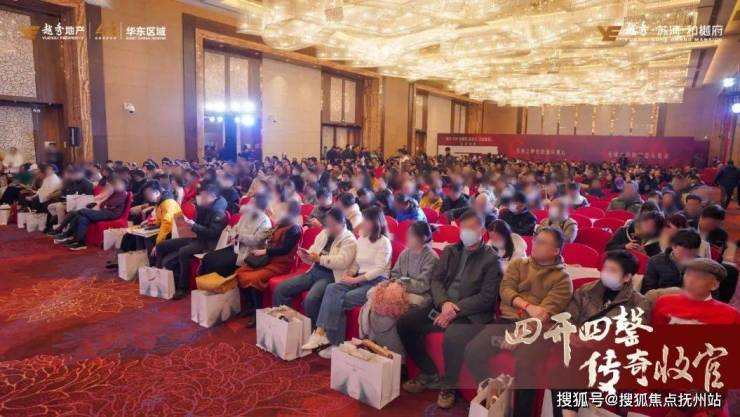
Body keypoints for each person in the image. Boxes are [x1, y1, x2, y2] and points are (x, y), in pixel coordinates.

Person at [463, 227, 572, 417]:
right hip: (508, 320)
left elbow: (545, 313)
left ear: (556, 250)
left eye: (542, 242)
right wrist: (527, 306)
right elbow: (505, 291)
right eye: (536, 240)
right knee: (473, 350)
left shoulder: (562, 279)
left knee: (526, 365)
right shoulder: (519, 264)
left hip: (537, 330)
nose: (535, 244)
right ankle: (493, 400)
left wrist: (521, 333)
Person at [398, 210, 502, 409]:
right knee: (405, 322)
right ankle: (429, 372)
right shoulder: (451, 251)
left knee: (453, 336)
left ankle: (449, 386)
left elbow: (486, 298)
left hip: (470, 314)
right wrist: (444, 302)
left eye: (471, 229)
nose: (465, 233)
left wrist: (455, 309)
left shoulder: (490, 259)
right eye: (463, 228)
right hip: (443, 304)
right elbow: (436, 280)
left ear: (482, 231)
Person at [553, 250, 647, 417]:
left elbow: (632, 336)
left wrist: (596, 343)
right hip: (577, 346)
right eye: (605, 268)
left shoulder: (639, 303)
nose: (606, 273)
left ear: (627, 277)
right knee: (569, 360)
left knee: (573, 363)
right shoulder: (585, 291)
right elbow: (567, 318)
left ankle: (568, 414)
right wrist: (572, 335)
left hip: (610, 354)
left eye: (613, 270)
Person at [301, 206, 391, 358]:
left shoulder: (384, 242)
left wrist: (355, 279)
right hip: (359, 278)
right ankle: (320, 332)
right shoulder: (362, 239)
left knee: (341, 299)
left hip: (376, 283)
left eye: (366, 220)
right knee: (333, 288)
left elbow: (379, 269)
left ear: (375, 222)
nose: (362, 223)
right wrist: (349, 274)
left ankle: (335, 343)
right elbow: (356, 262)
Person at [359, 221, 439, 356]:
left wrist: (401, 283)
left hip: (420, 296)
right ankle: (375, 347)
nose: (407, 238)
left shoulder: (431, 257)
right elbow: (395, 274)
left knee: (389, 313)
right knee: (376, 303)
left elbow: (423, 285)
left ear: (423, 238)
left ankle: (396, 356)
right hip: (399, 289)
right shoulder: (405, 253)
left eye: (411, 235)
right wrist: (396, 285)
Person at [273, 208, 357, 325]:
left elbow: (342, 262)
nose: (329, 227)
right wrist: (306, 255)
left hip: (330, 276)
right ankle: (284, 324)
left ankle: (315, 330)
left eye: (332, 224)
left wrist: (319, 259)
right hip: (314, 271)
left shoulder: (350, 240)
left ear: (342, 224)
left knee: (310, 300)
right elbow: (313, 250)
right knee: (281, 289)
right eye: (327, 224)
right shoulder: (324, 233)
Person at [234, 200, 303, 327]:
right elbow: (265, 235)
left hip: (281, 264)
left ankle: (257, 312)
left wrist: (265, 251)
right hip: (268, 259)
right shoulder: (279, 224)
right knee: (240, 272)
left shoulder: (294, 228)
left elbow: (285, 249)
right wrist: (243, 236)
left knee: (254, 279)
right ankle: (250, 306)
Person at [153, 184, 227, 299]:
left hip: (207, 243)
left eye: (203, 196)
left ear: (212, 196)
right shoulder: (203, 208)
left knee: (184, 251)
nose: (200, 198)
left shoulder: (218, 212)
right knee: (161, 245)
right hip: (195, 237)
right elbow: (196, 226)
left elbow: (212, 233)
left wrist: (193, 226)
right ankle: (158, 275)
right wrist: (187, 223)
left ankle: (182, 287)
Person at [199, 193, 273, 277]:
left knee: (217, 264)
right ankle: (202, 283)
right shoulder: (246, 215)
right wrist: (232, 235)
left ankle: (217, 283)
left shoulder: (267, 222)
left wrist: (239, 237)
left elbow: (258, 240)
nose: (249, 204)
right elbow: (235, 228)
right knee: (208, 258)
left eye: (252, 203)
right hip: (235, 247)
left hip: (248, 252)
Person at [110, 181, 181, 266]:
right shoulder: (160, 202)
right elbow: (159, 219)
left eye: (148, 194)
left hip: (173, 233)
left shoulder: (168, 203)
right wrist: (150, 223)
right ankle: (139, 262)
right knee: (138, 234)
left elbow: (167, 224)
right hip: (166, 229)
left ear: (157, 192)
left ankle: (152, 264)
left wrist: (158, 242)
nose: (147, 197)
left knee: (148, 237)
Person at [652, 258, 740, 325]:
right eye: (688, 274)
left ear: (714, 285)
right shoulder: (664, 302)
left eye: (699, 277)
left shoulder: (731, 315)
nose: (691, 280)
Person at [52, 177, 129, 251]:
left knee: (80, 211)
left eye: (117, 183)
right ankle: (79, 241)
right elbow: (104, 204)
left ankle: (65, 232)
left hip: (111, 214)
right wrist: (104, 203)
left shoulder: (122, 193)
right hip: (105, 211)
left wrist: (104, 204)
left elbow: (110, 204)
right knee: (82, 218)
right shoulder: (114, 192)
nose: (114, 185)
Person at [641, 228, 702, 294]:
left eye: (693, 251)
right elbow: (649, 290)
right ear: (674, 246)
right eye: (685, 250)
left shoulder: (701, 264)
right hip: (663, 297)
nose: (688, 255)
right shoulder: (655, 262)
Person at [45, 166, 94, 233]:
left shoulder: (87, 184)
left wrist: (72, 200)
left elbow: (88, 198)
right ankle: (60, 222)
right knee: (50, 206)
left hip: (81, 204)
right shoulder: (74, 182)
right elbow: (68, 193)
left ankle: (60, 228)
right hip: (71, 202)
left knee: (59, 206)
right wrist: (68, 200)